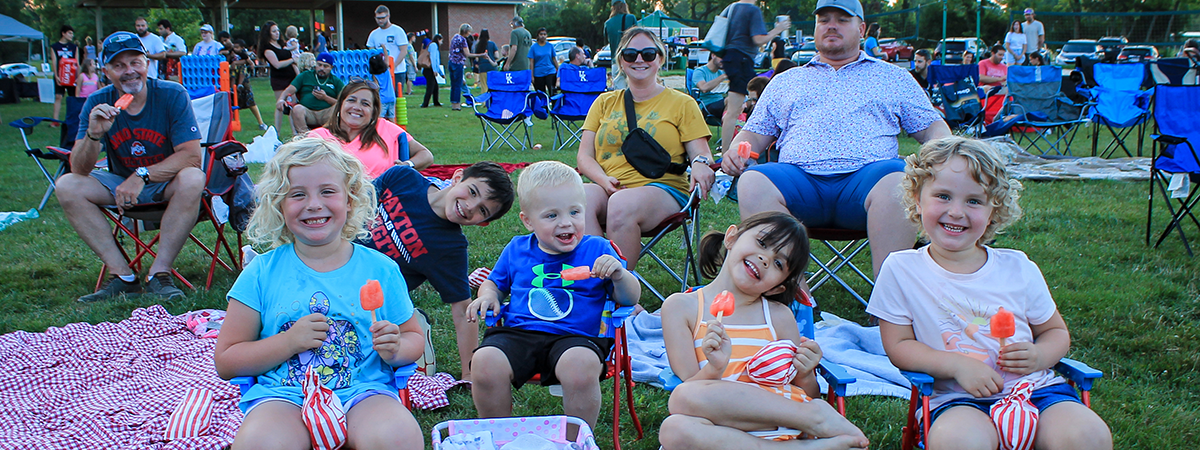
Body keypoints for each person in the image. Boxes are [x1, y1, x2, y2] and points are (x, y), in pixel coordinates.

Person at [868, 137, 1113, 450]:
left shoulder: (1017, 267)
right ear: (917, 200)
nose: (956, 212)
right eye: (943, 196)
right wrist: (956, 366)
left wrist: (1039, 355)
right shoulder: (902, 269)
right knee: (958, 441)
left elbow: (1054, 332)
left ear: (994, 210)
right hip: (958, 399)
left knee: (1087, 435)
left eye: (974, 201)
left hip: (1034, 391)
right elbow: (898, 345)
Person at [212, 138, 424, 450]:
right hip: (283, 396)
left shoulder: (380, 269)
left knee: (398, 438)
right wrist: (288, 342)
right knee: (260, 444)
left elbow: (413, 338)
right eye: (298, 195)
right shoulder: (260, 273)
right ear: (279, 205)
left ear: (350, 199)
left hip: (364, 391)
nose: (314, 204)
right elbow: (227, 360)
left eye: (327, 191)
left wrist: (396, 348)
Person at [722, 0, 951, 282]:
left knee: (899, 179)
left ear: (862, 28)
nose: (831, 25)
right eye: (824, 19)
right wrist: (736, 149)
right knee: (753, 180)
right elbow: (755, 133)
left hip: (868, 182)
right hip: (798, 182)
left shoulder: (893, 77)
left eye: (842, 19)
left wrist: (945, 151)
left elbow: (932, 129)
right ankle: (790, 296)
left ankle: (889, 303)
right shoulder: (787, 80)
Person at [658, 212, 869, 449]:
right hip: (721, 432)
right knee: (676, 421)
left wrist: (806, 372)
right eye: (762, 243)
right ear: (731, 238)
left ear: (777, 287)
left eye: (779, 263)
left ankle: (816, 418)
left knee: (682, 399)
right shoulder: (681, 307)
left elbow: (806, 392)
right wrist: (716, 367)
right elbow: (690, 389)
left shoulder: (778, 316)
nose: (766, 258)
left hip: (778, 421)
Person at [466, 160, 640, 438]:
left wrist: (619, 275)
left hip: (577, 337)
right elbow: (494, 284)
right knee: (485, 362)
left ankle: (575, 441)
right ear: (527, 220)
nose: (566, 222)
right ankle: (497, 437)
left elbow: (630, 298)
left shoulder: (598, 248)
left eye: (575, 211)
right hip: (518, 332)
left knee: (580, 366)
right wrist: (488, 296)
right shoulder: (517, 249)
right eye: (551, 216)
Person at [58, 31, 203, 303]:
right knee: (68, 185)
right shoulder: (96, 102)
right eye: (119, 65)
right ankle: (122, 275)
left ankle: (160, 274)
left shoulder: (172, 94)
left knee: (193, 177)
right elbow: (78, 168)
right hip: (120, 185)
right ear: (107, 72)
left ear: (147, 64)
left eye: (135, 62)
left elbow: (192, 156)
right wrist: (93, 134)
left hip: (166, 183)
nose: (129, 72)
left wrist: (142, 175)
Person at [361, 159, 515, 381]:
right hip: (330, 260)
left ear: (484, 223)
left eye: (482, 210)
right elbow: (354, 202)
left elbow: (463, 311)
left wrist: (469, 373)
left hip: (372, 310)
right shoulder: (402, 178)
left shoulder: (450, 249)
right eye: (472, 192)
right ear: (457, 177)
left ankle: (411, 328)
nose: (470, 206)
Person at [578, 28, 715, 271]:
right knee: (580, 199)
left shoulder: (682, 103)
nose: (639, 60)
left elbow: (700, 152)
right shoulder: (604, 102)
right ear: (621, 60)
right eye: (631, 55)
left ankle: (620, 292)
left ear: (660, 59)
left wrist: (702, 164)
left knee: (622, 203)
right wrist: (603, 181)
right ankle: (595, 285)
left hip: (664, 190)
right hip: (609, 186)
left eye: (648, 53)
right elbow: (584, 156)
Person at [311, 80, 434, 178]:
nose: (357, 107)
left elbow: (426, 155)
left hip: (382, 202)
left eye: (365, 104)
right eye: (351, 100)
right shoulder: (318, 137)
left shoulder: (386, 128)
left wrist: (407, 165)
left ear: (373, 112)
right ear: (340, 105)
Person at [719, 0, 790, 153]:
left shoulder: (731, 8)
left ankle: (728, 152)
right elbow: (758, 39)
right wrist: (778, 29)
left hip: (731, 58)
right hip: (742, 60)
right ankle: (727, 154)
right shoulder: (752, 10)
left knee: (734, 109)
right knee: (745, 105)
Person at [276, 52, 344, 135]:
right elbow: (289, 90)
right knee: (297, 109)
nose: (321, 68)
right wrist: (281, 99)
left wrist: (325, 98)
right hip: (308, 112)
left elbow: (343, 103)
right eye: (319, 65)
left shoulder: (336, 81)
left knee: (338, 109)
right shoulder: (305, 76)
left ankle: (329, 136)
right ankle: (305, 137)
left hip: (326, 114)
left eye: (325, 66)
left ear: (331, 68)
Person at [260, 21, 297, 134]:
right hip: (279, 80)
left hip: (291, 78)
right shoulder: (267, 49)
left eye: (278, 30)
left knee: (293, 105)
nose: (277, 33)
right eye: (274, 31)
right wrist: (292, 60)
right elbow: (277, 64)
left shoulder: (282, 44)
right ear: (268, 33)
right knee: (280, 105)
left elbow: (287, 51)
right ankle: (277, 132)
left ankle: (295, 132)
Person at [368, 5, 410, 103]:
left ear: (388, 16)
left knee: (394, 98)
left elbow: (403, 51)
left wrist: (393, 66)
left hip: (397, 71)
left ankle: (393, 118)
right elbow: (371, 51)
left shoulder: (398, 31)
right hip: (380, 73)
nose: (380, 21)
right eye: (378, 18)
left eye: (383, 18)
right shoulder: (374, 34)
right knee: (379, 98)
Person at [230, 39, 268, 130]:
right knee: (233, 100)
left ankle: (261, 122)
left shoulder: (243, 54)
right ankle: (232, 123)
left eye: (237, 47)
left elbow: (248, 61)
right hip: (234, 77)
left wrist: (248, 63)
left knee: (250, 101)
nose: (235, 49)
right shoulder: (232, 53)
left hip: (243, 80)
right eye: (234, 47)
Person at [451, 23, 488, 111]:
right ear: (465, 31)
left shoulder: (454, 37)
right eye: (468, 32)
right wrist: (481, 55)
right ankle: (457, 105)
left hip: (451, 62)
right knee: (458, 84)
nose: (469, 34)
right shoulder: (463, 40)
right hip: (458, 63)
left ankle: (453, 103)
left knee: (453, 84)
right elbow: (467, 54)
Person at [604, 0, 637, 89]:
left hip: (616, 62)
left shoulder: (608, 23)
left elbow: (607, 41)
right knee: (634, 91)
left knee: (620, 93)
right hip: (631, 60)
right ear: (625, 5)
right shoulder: (631, 18)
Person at [51, 25, 79, 124]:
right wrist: (56, 75)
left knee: (73, 97)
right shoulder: (55, 47)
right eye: (70, 33)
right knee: (58, 96)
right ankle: (55, 120)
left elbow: (77, 62)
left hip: (71, 76)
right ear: (63, 33)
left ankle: (73, 119)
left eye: (72, 33)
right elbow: (54, 62)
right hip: (60, 75)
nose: (72, 35)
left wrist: (77, 76)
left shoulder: (74, 47)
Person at [692, 53, 727, 118]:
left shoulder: (721, 72)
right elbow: (704, 88)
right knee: (732, 100)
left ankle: (741, 126)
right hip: (706, 105)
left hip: (721, 103)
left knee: (749, 103)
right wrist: (723, 77)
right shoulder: (700, 71)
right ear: (713, 55)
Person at [529, 27, 560, 96]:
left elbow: (554, 59)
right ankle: (544, 106)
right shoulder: (533, 47)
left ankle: (554, 105)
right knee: (541, 93)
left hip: (550, 71)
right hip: (538, 73)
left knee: (552, 90)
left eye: (544, 34)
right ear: (538, 35)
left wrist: (559, 69)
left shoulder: (550, 46)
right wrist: (531, 76)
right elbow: (531, 62)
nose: (543, 36)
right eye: (541, 34)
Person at [421, 35, 445, 108]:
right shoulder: (434, 45)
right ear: (438, 39)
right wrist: (435, 70)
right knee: (430, 87)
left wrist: (441, 73)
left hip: (430, 69)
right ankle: (425, 104)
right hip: (429, 69)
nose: (441, 42)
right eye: (441, 40)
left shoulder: (432, 45)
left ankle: (436, 102)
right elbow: (433, 59)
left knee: (435, 86)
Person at [473, 29, 499, 93]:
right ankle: (493, 101)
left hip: (482, 67)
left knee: (484, 86)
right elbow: (497, 56)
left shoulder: (478, 45)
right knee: (493, 85)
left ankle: (485, 102)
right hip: (492, 67)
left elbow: (477, 58)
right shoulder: (492, 44)